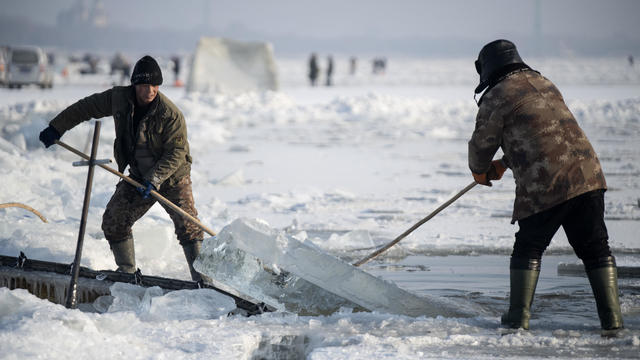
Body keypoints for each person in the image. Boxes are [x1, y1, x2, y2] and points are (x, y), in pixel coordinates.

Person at [468, 40, 623, 335]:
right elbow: (545, 135)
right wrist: (504, 164)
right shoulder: (543, 82)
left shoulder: (497, 95)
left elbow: (481, 145)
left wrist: (479, 170)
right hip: (587, 175)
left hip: (547, 183)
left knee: (528, 246)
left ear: (487, 68)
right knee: (595, 247)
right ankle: (613, 321)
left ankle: (517, 319)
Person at [38, 55, 209, 283]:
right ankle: (127, 273)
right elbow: (86, 108)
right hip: (139, 176)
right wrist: (57, 127)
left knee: (189, 226)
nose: (150, 90)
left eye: (155, 85)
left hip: (173, 178)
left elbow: (176, 153)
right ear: (135, 84)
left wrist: (155, 178)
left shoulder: (170, 114)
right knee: (114, 220)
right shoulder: (119, 98)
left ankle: (204, 281)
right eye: (145, 85)